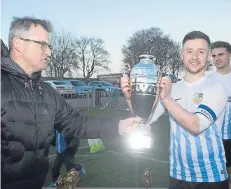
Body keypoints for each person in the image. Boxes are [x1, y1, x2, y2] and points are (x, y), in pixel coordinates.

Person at [1, 16, 141, 189]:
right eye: (42, 45)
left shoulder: (47, 93)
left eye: (49, 46)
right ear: (18, 44)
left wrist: (119, 126)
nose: (49, 52)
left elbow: (76, 123)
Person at [121, 31, 229, 189]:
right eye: (189, 51)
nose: (194, 57)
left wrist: (167, 98)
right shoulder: (172, 89)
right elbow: (144, 119)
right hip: (178, 174)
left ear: (208, 57)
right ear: (181, 55)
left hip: (210, 176)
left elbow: (196, 125)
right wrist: (130, 98)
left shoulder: (216, 88)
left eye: (201, 52)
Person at [209, 41, 231, 189]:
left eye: (221, 54)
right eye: (214, 55)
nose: (217, 58)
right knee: (215, 177)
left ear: (230, 55)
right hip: (212, 137)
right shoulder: (207, 80)